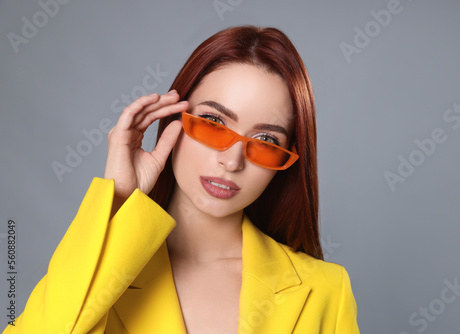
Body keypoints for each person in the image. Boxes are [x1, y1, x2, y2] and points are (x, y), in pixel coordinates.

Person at [4, 26, 359, 333]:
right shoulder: (104, 269)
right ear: (175, 116)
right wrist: (119, 202)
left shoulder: (326, 290)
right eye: (214, 123)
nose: (232, 160)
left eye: (266, 141)